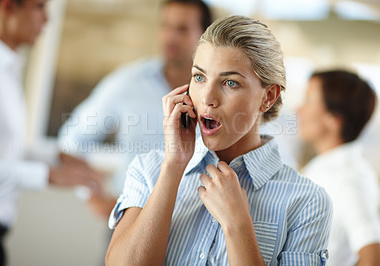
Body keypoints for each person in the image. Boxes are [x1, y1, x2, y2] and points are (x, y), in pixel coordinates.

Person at [105, 15, 333, 265]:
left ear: (268, 96)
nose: (208, 98)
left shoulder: (307, 202)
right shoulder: (147, 171)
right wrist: (173, 166)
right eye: (199, 77)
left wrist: (238, 225)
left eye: (230, 82)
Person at [58, 0, 212, 219]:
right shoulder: (128, 82)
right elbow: (72, 138)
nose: (170, 37)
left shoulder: (217, 95)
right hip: (129, 223)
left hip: (195, 232)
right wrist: (92, 193)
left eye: (182, 29)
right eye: (166, 26)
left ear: (205, 35)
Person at [0, 0, 103, 265]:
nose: (47, 20)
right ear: (8, 7)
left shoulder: (2, 65)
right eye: (39, 7)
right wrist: (48, 175)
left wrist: (54, 156)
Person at [298, 70, 380, 266]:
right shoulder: (324, 166)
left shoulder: (350, 176)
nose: (299, 110)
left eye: (308, 101)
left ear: (334, 120)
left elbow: (373, 255)